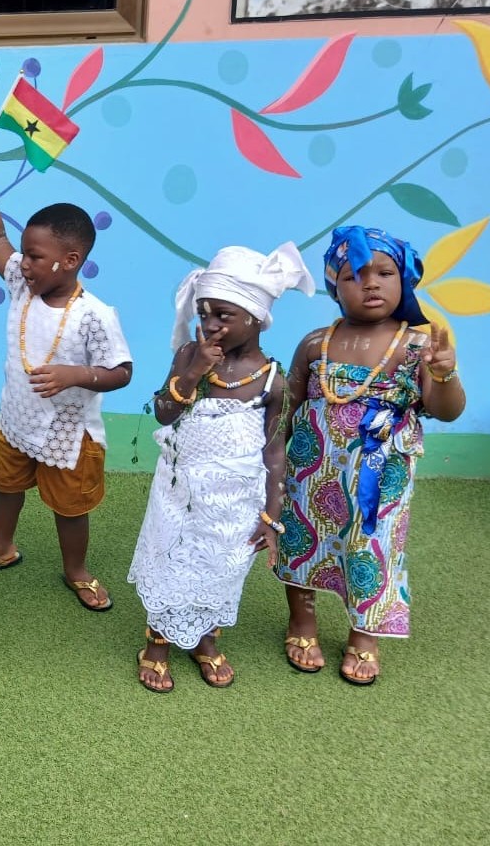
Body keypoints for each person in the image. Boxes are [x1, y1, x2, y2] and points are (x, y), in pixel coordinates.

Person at [277, 226, 465, 685]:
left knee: (372, 547)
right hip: (311, 469)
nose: (370, 284)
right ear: (334, 287)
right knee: (302, 540)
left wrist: (444, 375)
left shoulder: (418, 346)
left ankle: (365, 633)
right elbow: (289, 406)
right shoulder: (315, 342)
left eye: (384, 273)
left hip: (381, 476)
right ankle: (302, 621)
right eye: (353, 276)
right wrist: (275, 463)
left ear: (404, 280)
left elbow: (446, 411)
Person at [129, 244, 314, 692]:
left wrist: (271, 514)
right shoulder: (189, 355)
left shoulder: (272, 379)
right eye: (204, 313)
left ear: (256, 317)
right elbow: (164, 413)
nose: (211, 324)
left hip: (235, 502)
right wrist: (193, 371)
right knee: (172, 562)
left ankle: (205, 640)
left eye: (223, 315)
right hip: (179, 493)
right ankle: (157, 644)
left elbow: (275, 451)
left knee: (223, 569)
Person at [0, 152, 132, 610]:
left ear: (70, 260)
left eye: (35, 256)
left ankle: (76, 569)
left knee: (70, 508)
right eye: (25, 254)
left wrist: (76, 375)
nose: (24, 264)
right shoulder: (22, 284)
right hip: (17, 419)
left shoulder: (94, 315)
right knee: (6, 487)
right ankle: (1, 546)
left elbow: (122, 372)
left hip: (67, 436)